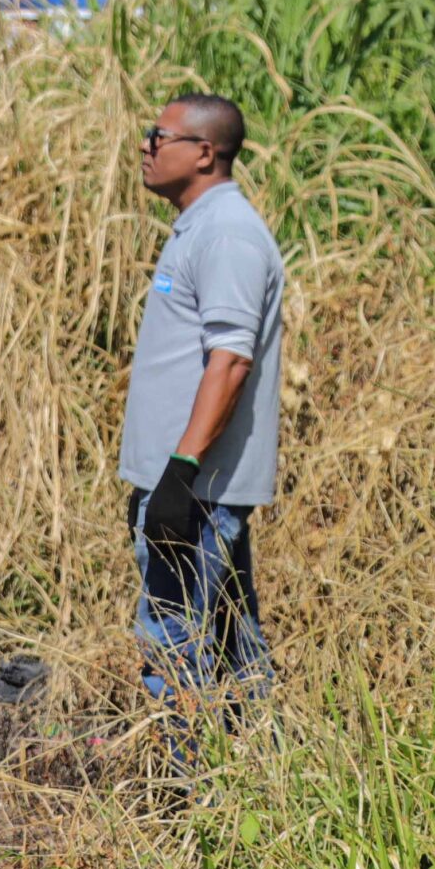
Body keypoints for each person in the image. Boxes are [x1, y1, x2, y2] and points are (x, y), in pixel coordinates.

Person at [123, 93, 284, 743]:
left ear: (205, 152)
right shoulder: (201, 225)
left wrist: (180, 474)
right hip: (192, 488)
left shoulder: (227, 232)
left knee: (173, 648)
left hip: (196, 491)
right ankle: (264, 795)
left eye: (158, 135)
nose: (146, 145)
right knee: (231, 648)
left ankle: (189, 809)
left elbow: (230, 361)